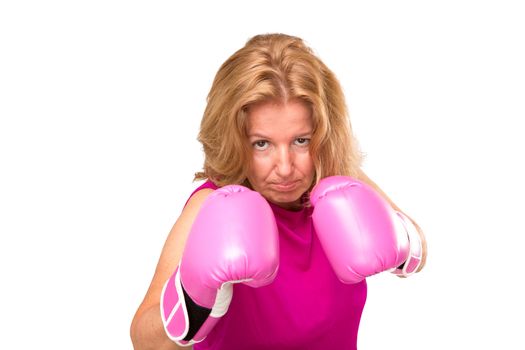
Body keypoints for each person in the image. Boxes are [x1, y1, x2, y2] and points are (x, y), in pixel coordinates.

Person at [130, 33, 427, 350]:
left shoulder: (340, 188)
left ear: (323, 134)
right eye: (262, 144)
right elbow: (143, 341)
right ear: (235, 140)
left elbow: (418, 252)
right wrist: (193, 297)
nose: (285, 167)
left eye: (301, 140)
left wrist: (399, 243)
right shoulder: (214, 207)